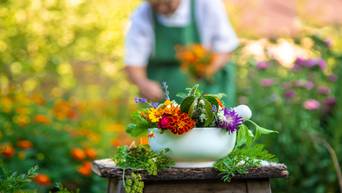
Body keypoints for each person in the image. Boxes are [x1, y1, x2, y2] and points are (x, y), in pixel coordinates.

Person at [125, 0, 239, 106]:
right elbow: (134, 62)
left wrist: (207, 69)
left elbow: (226, 47)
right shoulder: (142, 14)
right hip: (164, 97)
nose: (162, 9)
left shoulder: (205, 3)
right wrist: (143, 83)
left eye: (167, 3)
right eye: (156, 5)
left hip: (209, 87)